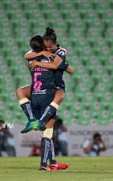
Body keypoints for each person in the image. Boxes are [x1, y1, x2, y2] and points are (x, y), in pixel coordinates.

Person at [17, 26, 74, 133]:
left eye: (50, 47)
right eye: (46, 47)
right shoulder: (41, 53)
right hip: (48, 88)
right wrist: (42, 54)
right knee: (49, 127)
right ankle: (36, 121)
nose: (48, 49)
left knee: (20, 92)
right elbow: (26, 55)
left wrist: (38, 62)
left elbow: (57, 65)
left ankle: (33, 120)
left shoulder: (56, 52)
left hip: (49, 87)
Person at [25, 34, 68, 171]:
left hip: (35, 96)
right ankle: (44, 165)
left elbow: (26, 55)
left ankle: (53, 162)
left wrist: (39, 58)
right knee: (48, 132)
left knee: (49, 132)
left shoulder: (32, 58)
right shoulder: (50, 56)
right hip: (48, 95)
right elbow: (57, 65)